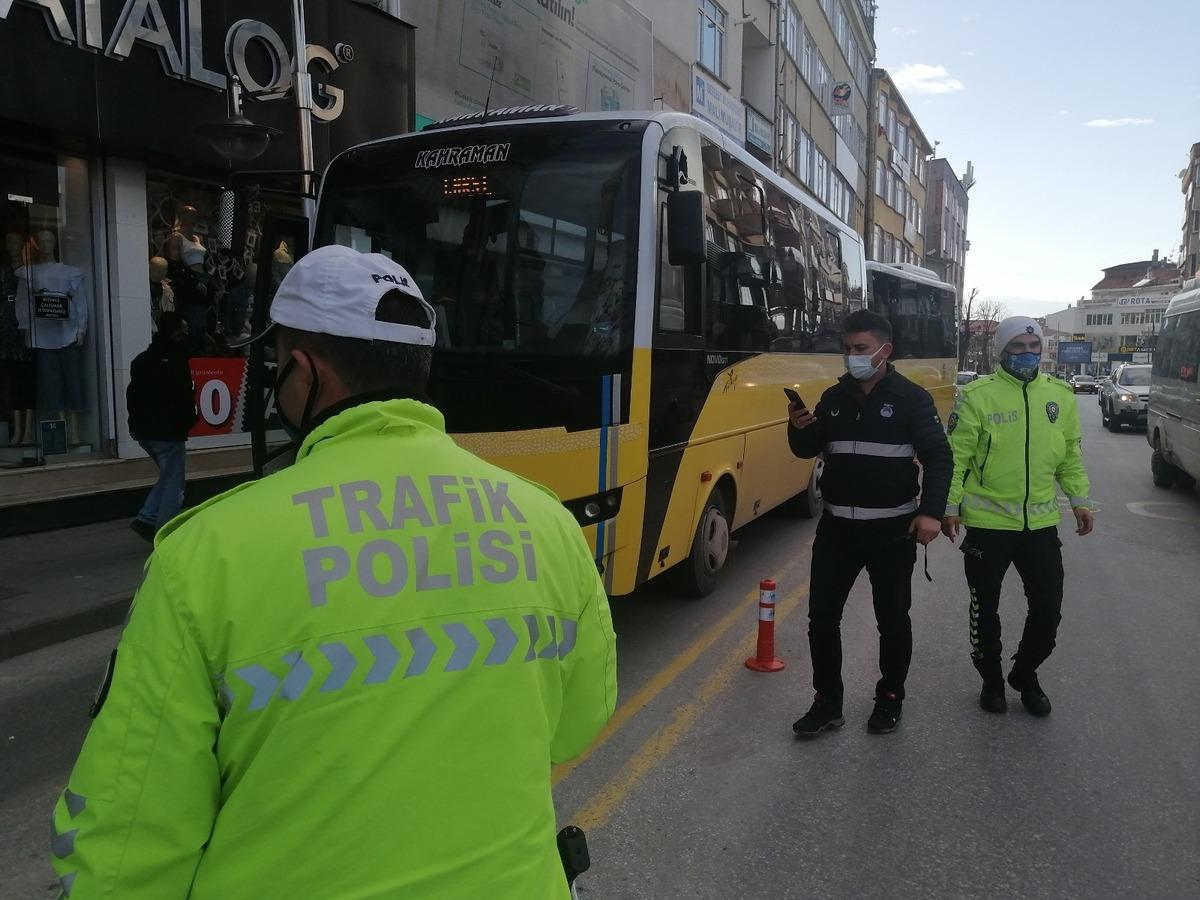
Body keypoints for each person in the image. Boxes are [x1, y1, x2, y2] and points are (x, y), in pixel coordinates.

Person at [51, 245, 617, 899]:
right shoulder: (544, 520)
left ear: (304, 370)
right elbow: (579, 720)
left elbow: (123, 846)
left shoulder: (205, 555)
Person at [787, 309, 952, 737]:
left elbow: (939, 457)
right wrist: (799, 429)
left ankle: (890, 697)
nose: (852, 357)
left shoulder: (912, 398)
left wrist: (931, 511)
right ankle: (827, 703)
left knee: (893, 622)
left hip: (892, 533)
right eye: (847, 349)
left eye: (860, 349)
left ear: (884, 350)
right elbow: (810, 449)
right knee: (821, 621)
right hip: (837, 531)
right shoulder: (833, 398)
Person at [941, 316, 1094, 717]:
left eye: (1033, 347)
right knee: (984, 610)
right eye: (1017, 347)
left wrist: (1080, 500)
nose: (1027, 354)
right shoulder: (978, 396)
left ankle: (1025, 673)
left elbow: (1070, 457)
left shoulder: (1060, 396)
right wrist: (950, 506)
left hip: (1040, 527)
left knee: (1048, 608)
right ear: (1002, 351)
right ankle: (991, 680)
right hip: (988, 528)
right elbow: (955, 459)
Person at [126, 311, 195, 542]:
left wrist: (133, 424)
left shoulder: (141, 360)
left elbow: (132, 395)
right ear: (177, 333)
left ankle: (147, 518)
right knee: (174, 483)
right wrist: (186, 423)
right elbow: (184, 397)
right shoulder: (177, 362)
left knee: (168, 477)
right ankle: (162, 530)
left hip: (145, 432)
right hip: (168, 432)